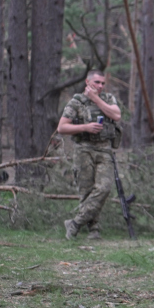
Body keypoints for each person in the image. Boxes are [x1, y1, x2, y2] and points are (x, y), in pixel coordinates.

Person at [57, 70, 122, 241]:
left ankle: (75, 223)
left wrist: (96, 99)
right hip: (84, 149)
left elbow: (116, 115)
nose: (100, 86)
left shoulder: (107, 99)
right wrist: (85, 127)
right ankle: (94, 230)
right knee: (86, 191)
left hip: (104, 149)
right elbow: (62, 127)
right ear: (88, 82)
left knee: (104, 188)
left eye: (102, 83)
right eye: (97, 83)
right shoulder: (77, 101)